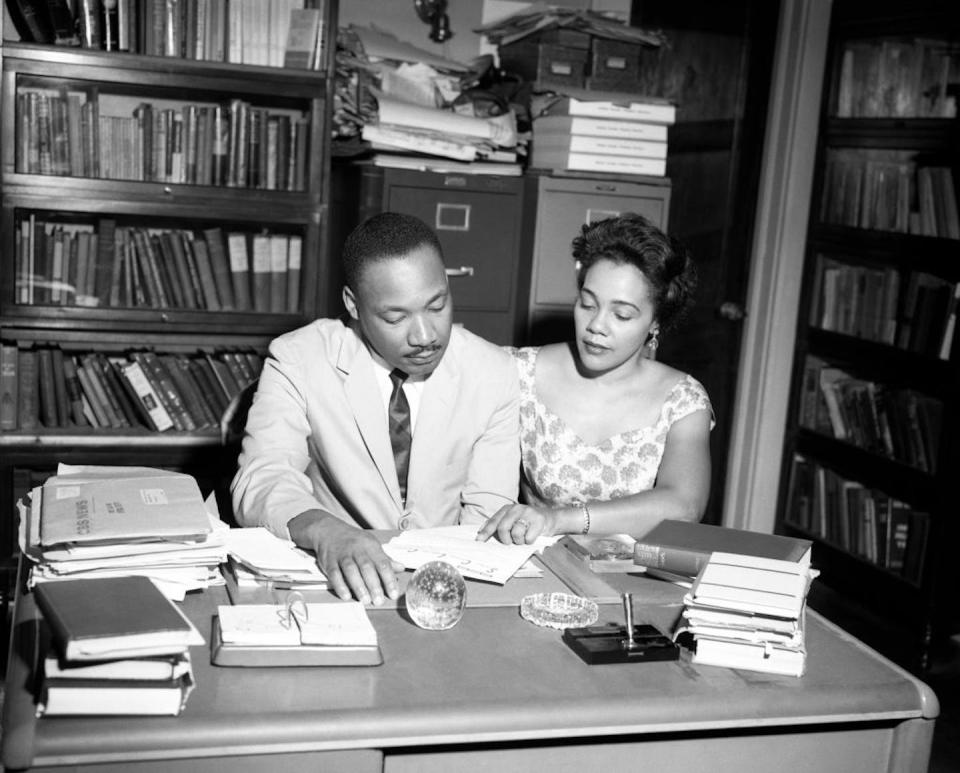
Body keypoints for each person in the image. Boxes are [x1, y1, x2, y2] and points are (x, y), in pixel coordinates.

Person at [232, 212, 520, 604]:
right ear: (353, 304)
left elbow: (488, 515)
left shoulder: (494, 372)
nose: (425, 336)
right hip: (338, 584)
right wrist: (327, 531)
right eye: (395, 317)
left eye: (437, 306)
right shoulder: (299, 358)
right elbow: (262, 477)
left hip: (446, 585)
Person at [477, 212, 712, 545]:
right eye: (587, 304)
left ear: (655, 322)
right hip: (537, 566)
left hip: (631, 579)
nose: (596, 325)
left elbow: (685, 505)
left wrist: (559, 519)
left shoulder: (683, 400)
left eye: (622, 314)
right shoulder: (521, 371)